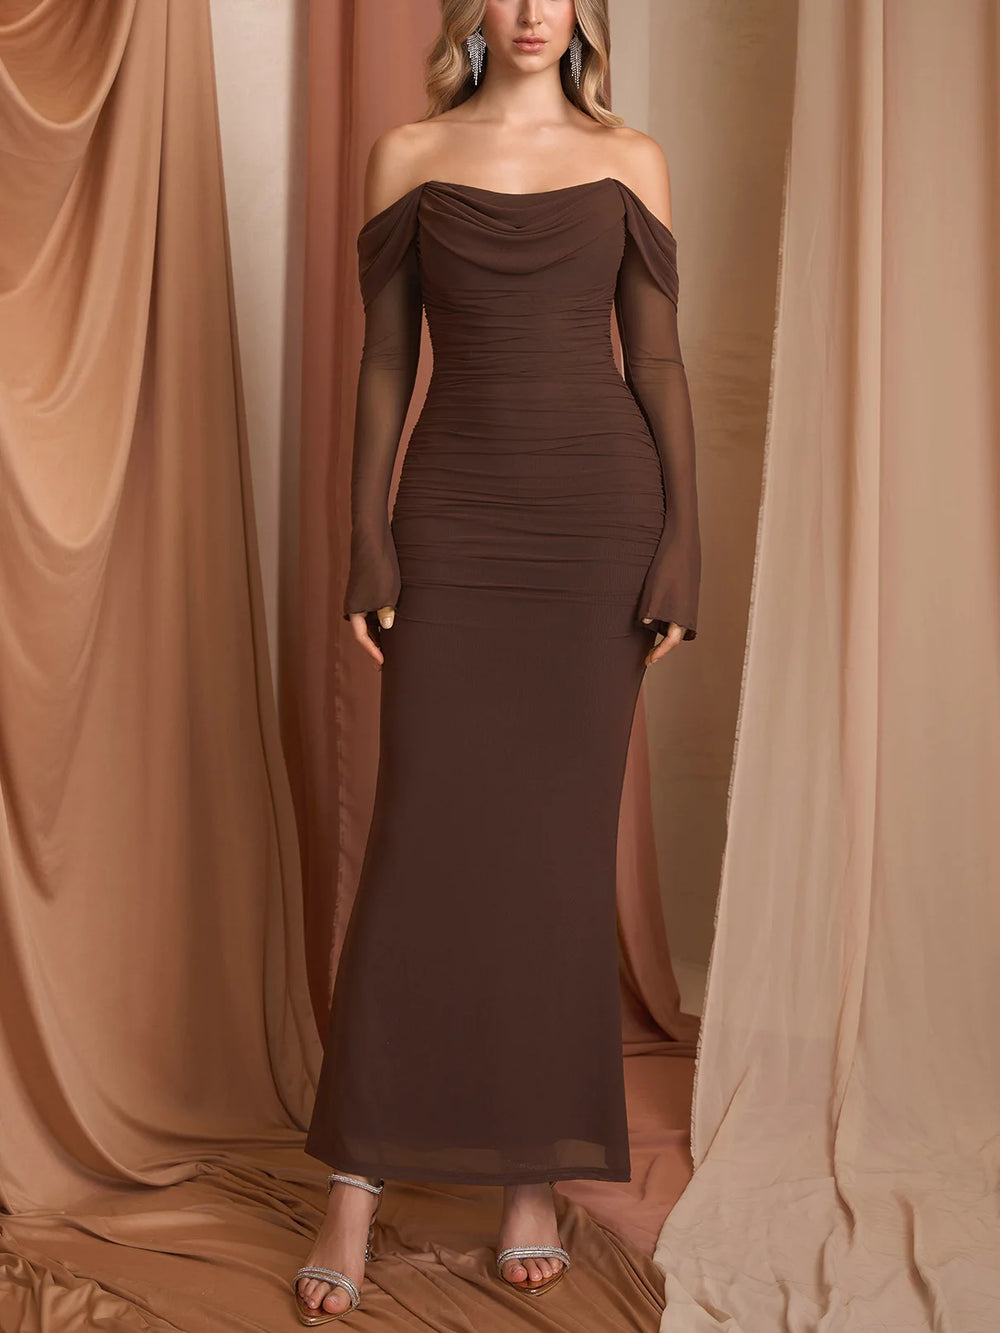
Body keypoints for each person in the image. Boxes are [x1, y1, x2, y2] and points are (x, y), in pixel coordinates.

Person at [292, 0, 700, 1322]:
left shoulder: (631, 158)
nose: (534, 11)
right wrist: (368, 542)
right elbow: (384, 366)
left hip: (597, 527)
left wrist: (686, 544)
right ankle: (353, 1179)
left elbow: (659, 364)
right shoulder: (407, 153)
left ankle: (539, 1176)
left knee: (556, 858)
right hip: (455, 518)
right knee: (422, 841)